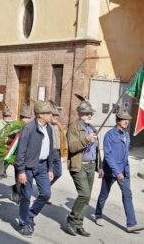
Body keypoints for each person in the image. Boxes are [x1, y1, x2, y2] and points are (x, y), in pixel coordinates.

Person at [93, 108, 144, 232]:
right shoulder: (109, 135)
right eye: (123, 119)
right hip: (111, 171)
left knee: (127, 195)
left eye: (127, 119)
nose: (126, 121)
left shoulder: (126, 134)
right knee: (104, 195)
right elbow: (108, 156)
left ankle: (131, 224)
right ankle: (98, 214)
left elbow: (125, 154)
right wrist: (117, 172)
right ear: (117, 121)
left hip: (124, 171)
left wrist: (124, 170)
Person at [15, 101, 54, 237]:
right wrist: (20, 171)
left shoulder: (49, 128)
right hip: (28, 167)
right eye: (49, 113)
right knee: (26, 196)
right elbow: (21, 151)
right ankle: (23, 224)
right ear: (40, 115)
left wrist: (50, 169)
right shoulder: (28, 128)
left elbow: (50, 150)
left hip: (43, 166)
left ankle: (30, 214)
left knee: (46, 194)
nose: (51, 115)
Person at [65, 99, 103, 237]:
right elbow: (72, 147)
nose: (90, 116)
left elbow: (96, 149)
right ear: (80, 113)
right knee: (84, 194)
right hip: (79, 165)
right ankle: (71, 220)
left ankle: (79, 224)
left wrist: (100, 166)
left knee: (87, 198)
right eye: (87, 114)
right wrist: (86, 140)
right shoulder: (73, 127)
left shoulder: (91, 128)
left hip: (91, 165)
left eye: (91, 114)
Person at [11, 104, 33, 203]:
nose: (25, 120)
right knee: (19, 178)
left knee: (27, 180)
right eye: (23, 117)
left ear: (31, 118)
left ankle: (17, 190)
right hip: (18, 158)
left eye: (27, 118)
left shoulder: (33, 129)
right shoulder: (16, 128)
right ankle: (19, 195)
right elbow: (8, 140)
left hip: (29, 159)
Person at [48, 104, 68, 195]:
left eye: (57, 115)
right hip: (48, 154)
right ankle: (45, 193)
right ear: (50, 115)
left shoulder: (59, 126)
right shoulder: (46, 126)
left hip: (57, 153)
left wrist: (64, 154)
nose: (56, 117)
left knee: (58, 173)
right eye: (54, 115)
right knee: (46, 174)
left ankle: (46, 188)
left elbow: (64, 141)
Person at [0, 107, 14, 179]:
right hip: (1, 144)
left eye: (8, 116)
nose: (7, 118)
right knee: (0, 159)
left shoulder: (13, 123)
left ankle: (4, 170)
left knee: (8, 159)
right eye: (6, 116)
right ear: (3, 116)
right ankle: (0, 173)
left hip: (10, 144)